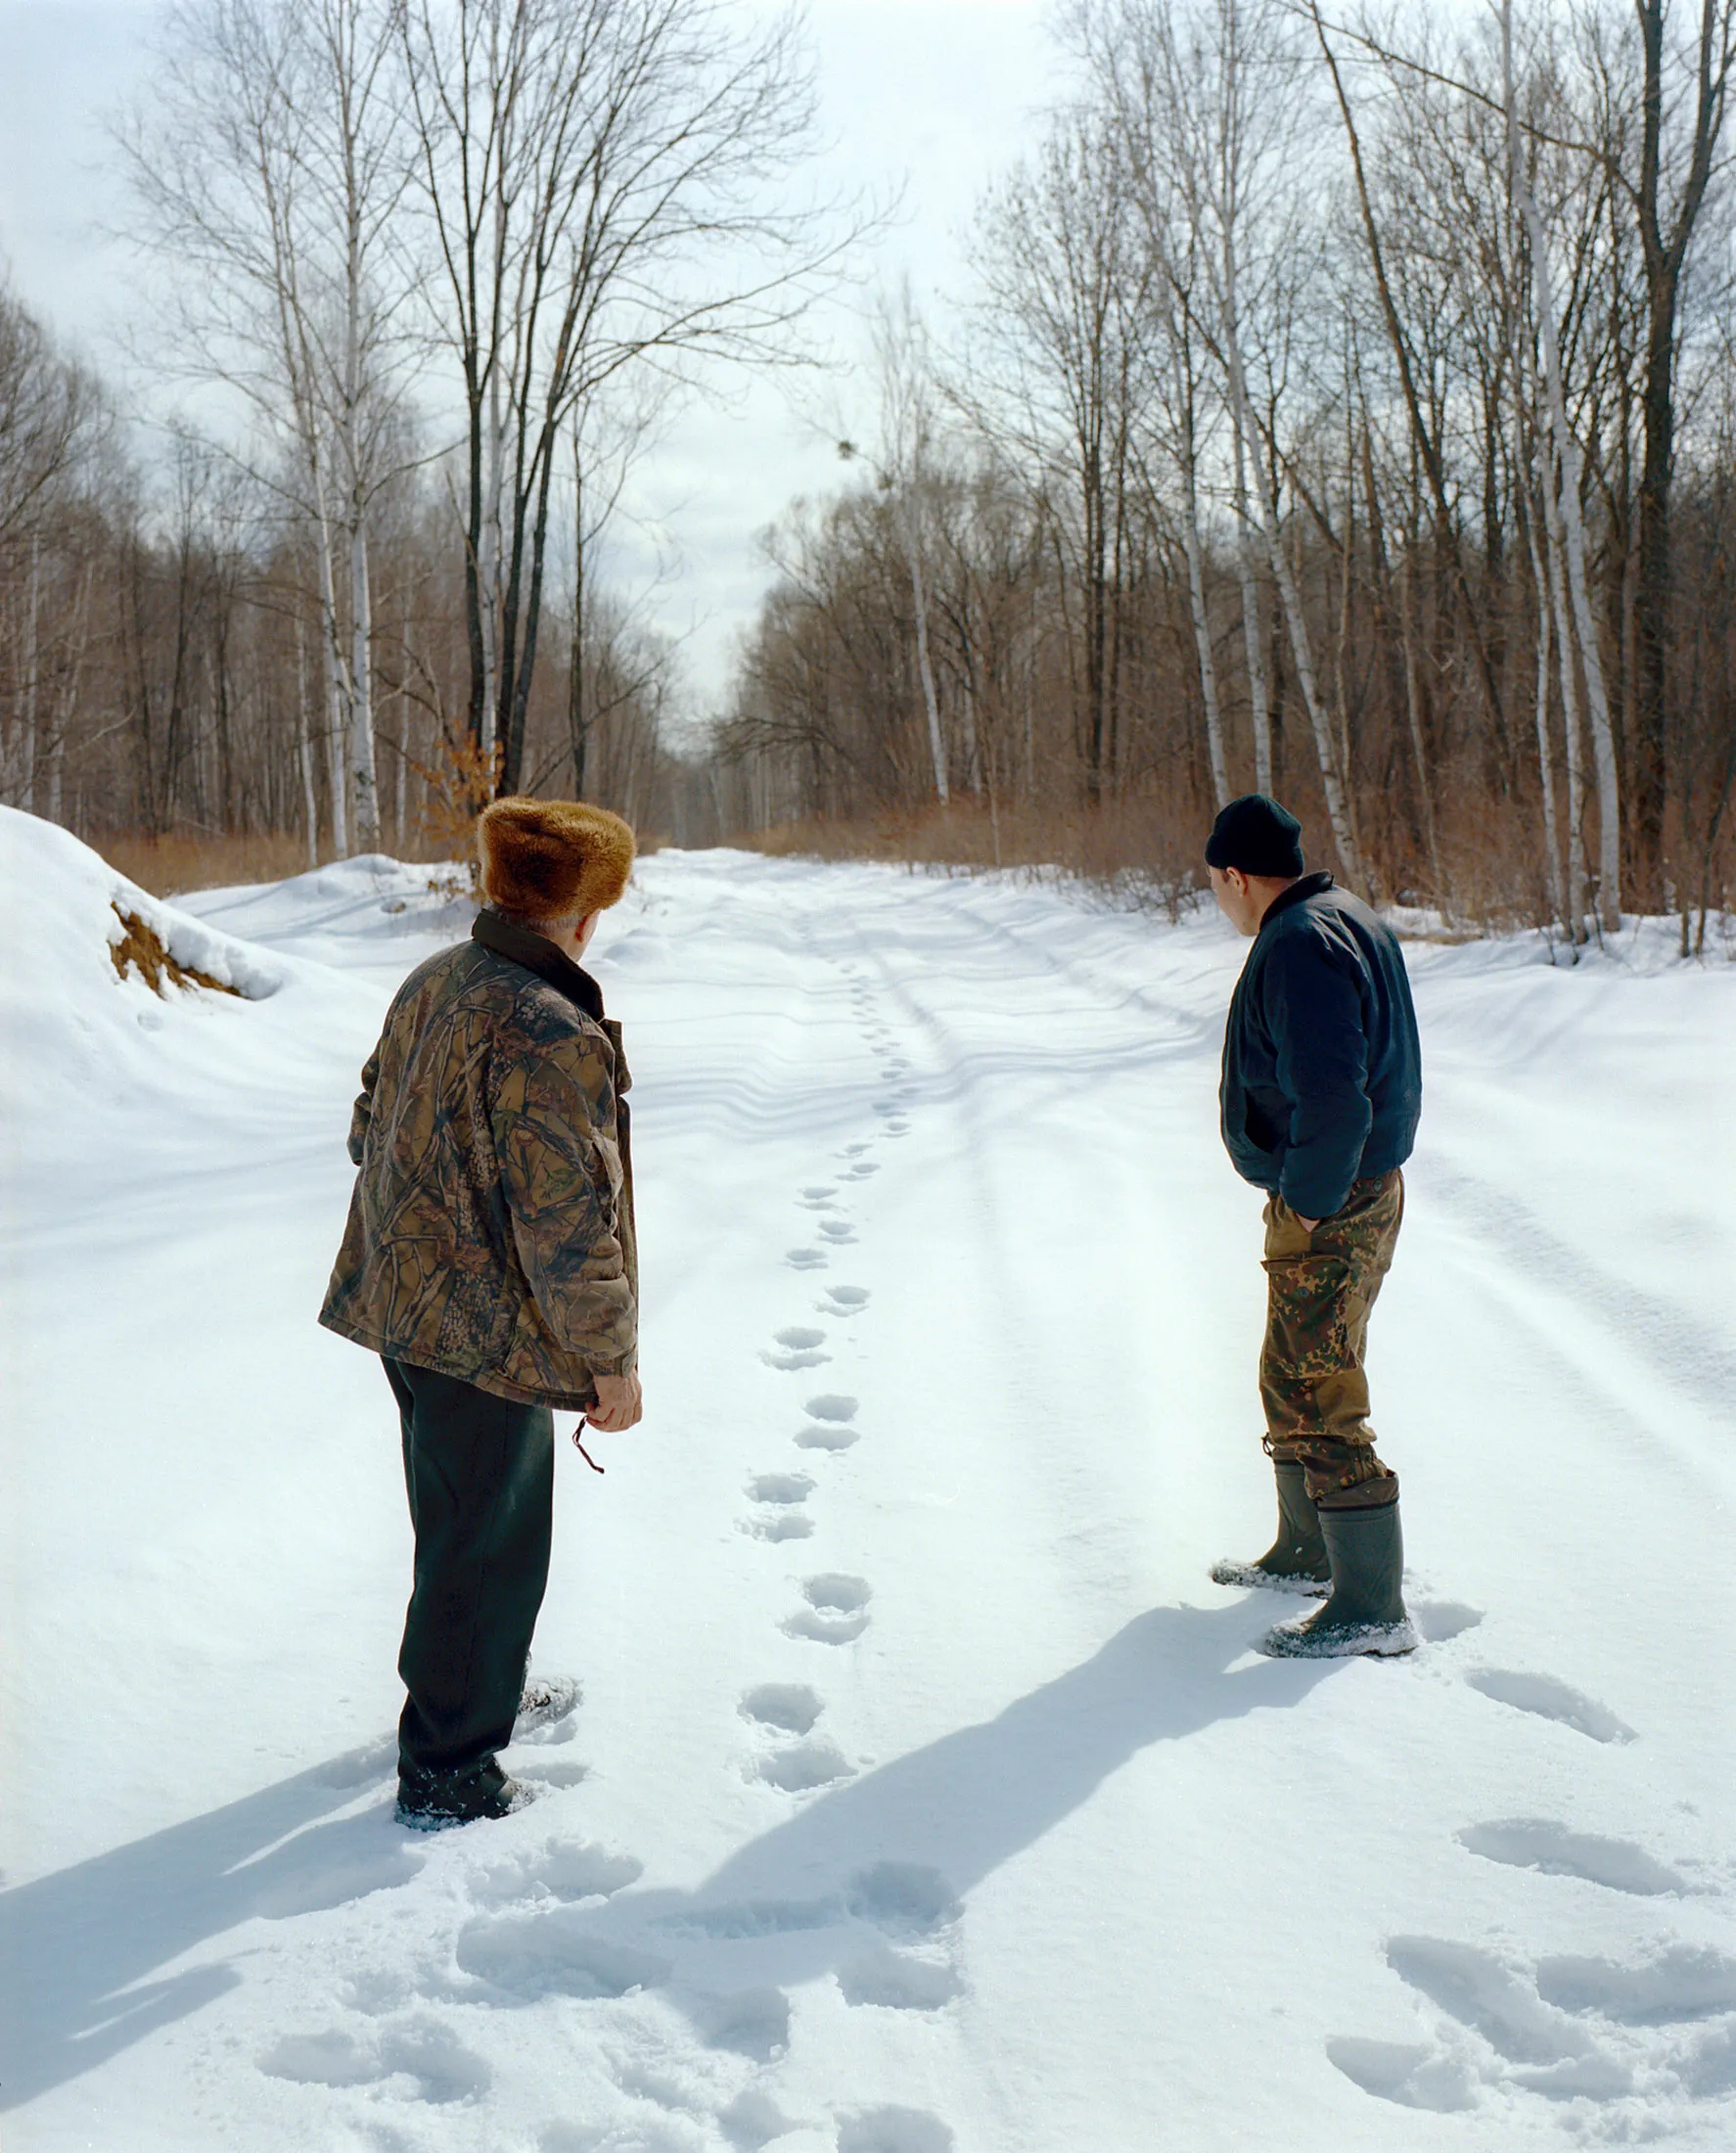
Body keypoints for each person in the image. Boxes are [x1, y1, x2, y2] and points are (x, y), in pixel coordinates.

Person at [319, 797, 643, 1825]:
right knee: (486, 1543)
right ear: (585, 917)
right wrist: (612, 1362)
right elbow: (567, 1224)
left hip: (405, 1308)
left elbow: (369, 1125)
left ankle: (475, 1687)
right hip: (481, 1337)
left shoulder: (433, 980)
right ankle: (452, 1767)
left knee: (457, 1527)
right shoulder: (549, 1028)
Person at [1204, 794, 1421, 1658]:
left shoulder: (1300, 944)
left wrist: (1308, 1202)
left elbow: (1335, 1095)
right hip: (1344, 1189)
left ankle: (1371, 1604)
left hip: (1334, 1198)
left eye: (1215, 885)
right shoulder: (1345, 917)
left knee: (1323, 1390)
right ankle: (1304, 1550)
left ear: (1235, 875)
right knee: (1289, 1373)